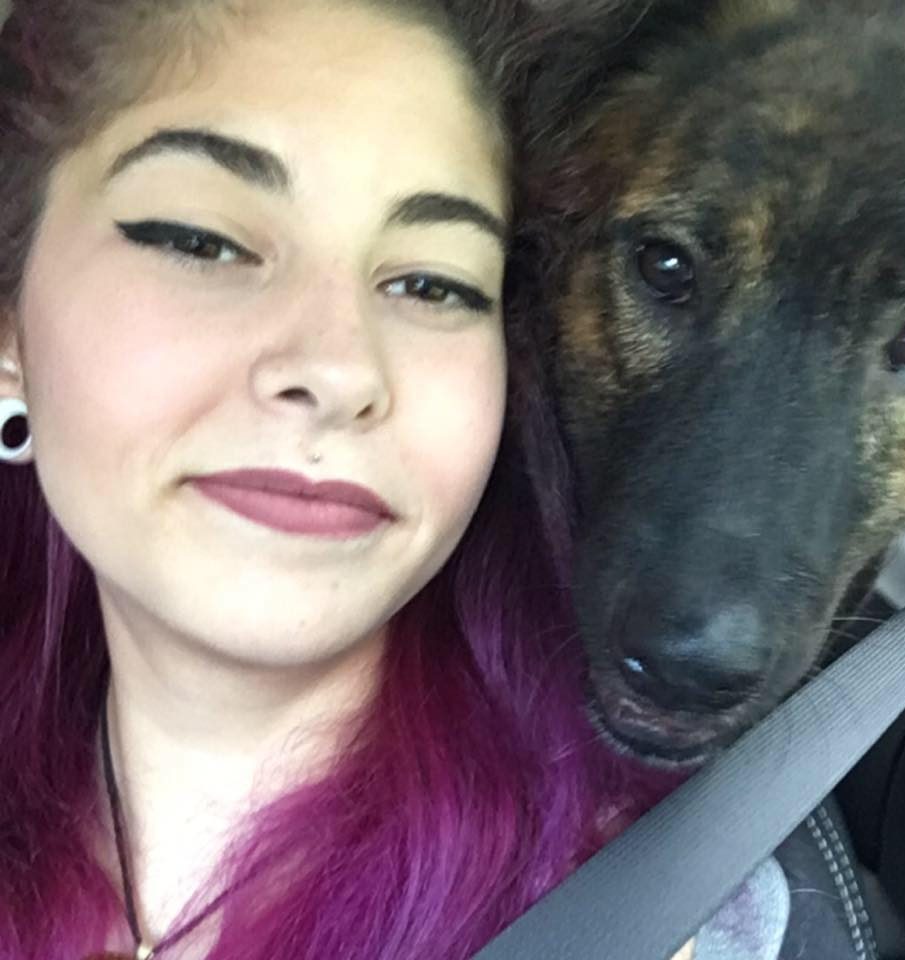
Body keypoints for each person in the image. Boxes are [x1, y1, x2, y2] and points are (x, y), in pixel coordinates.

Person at [0, 2, 679, 958]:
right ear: (9, 337)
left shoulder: (661, 910)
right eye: (203, 239)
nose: (339, 369)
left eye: (433, 283)